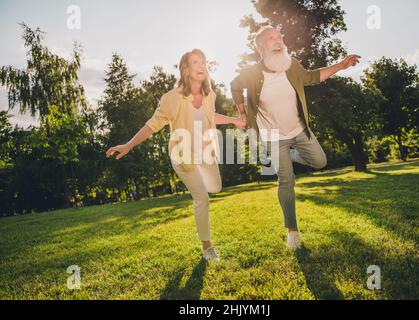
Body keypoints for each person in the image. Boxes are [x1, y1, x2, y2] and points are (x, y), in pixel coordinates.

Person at [106, 49, 245, 260]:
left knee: (215, 187)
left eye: (204, 62)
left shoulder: (210, 95)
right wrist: (129, 144)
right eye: (196, 62)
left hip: (206, 153)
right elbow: (153, 124)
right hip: (183, 155)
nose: (202, 66)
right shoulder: (172, 98)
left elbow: (210, 116)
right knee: (202, 198)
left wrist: (234, 120)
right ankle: (207, 247)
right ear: (186, 69)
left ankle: (198, 184)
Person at [230, 26, 361, 249]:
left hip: (299, 130)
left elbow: (313, 77)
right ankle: (292, 231)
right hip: (273, 136)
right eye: (272, 38)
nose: (279, 40)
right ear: (261, 47)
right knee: (286, 180)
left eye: (280, 36)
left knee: (320, 162)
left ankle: (292, 154)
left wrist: (340, 65)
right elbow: (234, 86)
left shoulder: (292, 65)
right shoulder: (252, 73)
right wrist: (242, 112)